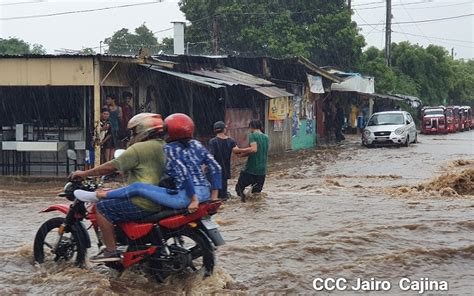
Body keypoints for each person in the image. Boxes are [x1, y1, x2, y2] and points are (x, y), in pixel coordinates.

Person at [72, 113, 167, 262]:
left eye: (133, 131)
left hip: (143, 202)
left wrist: (84, 173)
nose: (132, 135)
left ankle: (111, 251)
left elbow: (110, 166)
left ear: (142, 129)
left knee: (103, 207)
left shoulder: (139, 148)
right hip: (161, 200)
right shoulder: (164, 146)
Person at [235, 120, 269, 202]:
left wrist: (239, 149)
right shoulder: (266, 137)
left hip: (251, 169)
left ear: (251, 127)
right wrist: (242, 155)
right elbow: (258, 151)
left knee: (239, 188)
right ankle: (255, 211)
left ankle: (244, 206)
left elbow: (254, 149)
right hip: (262, 171)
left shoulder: (253, 135)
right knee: (256, 194)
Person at [208, 121, 243, 200]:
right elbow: (238, 152)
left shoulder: (213, 142)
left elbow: (211, 157)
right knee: (224, 195)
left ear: (214, 130)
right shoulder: (231, 141)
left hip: (215, 171)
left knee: (215, 194)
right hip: (225, 170)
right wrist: (249, 150)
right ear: (224, 130)